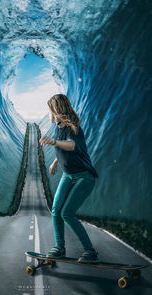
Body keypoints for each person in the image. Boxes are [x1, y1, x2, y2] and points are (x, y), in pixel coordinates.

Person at [39, 94, 100, 263]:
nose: (50, 114)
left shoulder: (75, 128)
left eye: (51, 110)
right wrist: (55, 161)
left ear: (57, 111)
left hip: (84, 177)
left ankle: (90, 251)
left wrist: (53, 142)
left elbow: (72, 145)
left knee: (67, 213)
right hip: (68, 175)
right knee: (56, 210)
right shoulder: (59, 127)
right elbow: (64, 146)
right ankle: (59, 248)